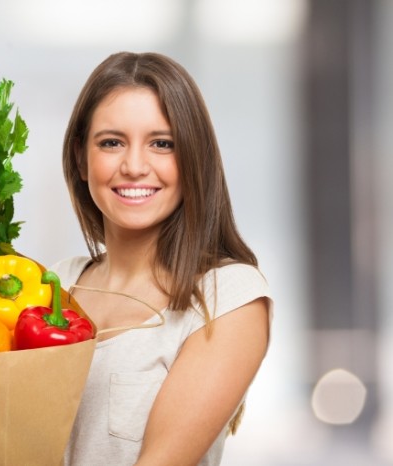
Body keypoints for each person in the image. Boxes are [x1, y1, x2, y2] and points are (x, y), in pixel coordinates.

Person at [48, 52, 273, 466]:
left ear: (193, 159)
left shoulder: (227, 298)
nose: (134, 166)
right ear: (81, 158)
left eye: (162, 144)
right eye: (112, 142)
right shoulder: (55, 285)